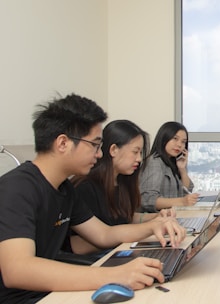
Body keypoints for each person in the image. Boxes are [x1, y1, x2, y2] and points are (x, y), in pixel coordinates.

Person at [0, 94, 186, 304]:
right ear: (63, 143)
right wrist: (116, 275)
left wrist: (154, 226)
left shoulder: (65, 189)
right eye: (95, 145)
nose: (99, 155)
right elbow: (17, 269)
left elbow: (104, 234)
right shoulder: (17, 187)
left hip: (52, 292)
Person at [66, 120, 177, 256]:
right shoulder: (85, 187)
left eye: (141, 153)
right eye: (135, 152)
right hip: (96, 258)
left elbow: (123, 217)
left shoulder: (122, 181)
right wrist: (146, 229)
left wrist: (156, 217)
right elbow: (89, 240)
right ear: (113, 150)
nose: (139, 159)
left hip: (115, 249)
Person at [139, 121, 199, 212]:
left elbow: (186, 191)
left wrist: (182, 170)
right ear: (164, 138)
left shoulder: (171, 161)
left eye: (183, 142)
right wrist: (182, 201)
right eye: (175, 139)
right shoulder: (154, 162)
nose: (179, 145)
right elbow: (147, 200)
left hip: (172, 217)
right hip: (156, 220)